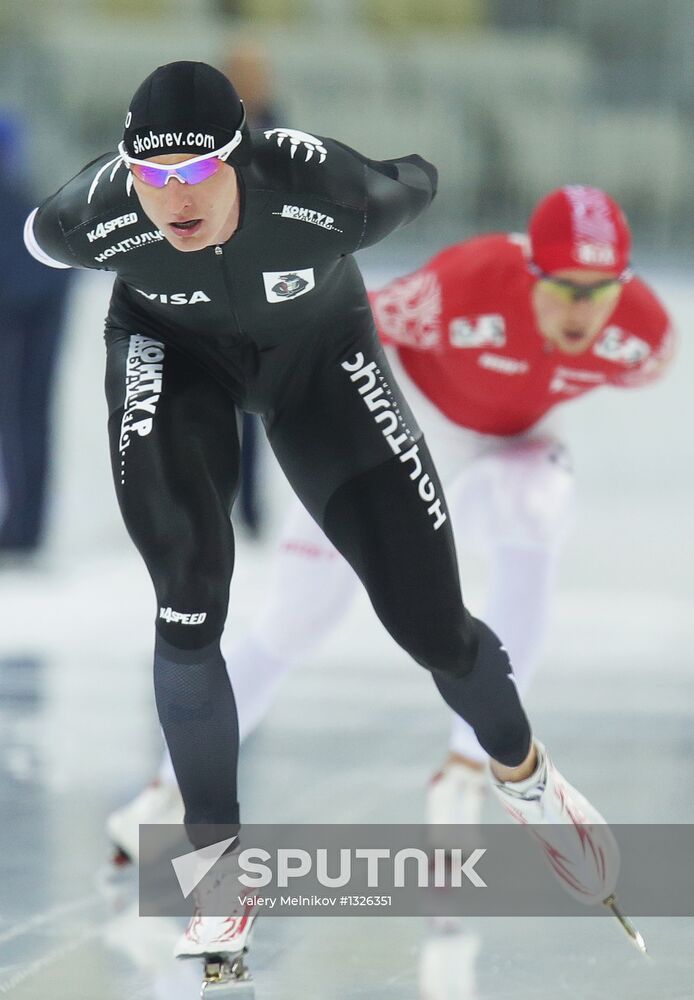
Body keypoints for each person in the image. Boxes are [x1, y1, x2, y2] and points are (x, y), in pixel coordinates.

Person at [25, 62, 621, 963]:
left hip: (321, 363)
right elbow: (33, 237)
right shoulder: (92, 213)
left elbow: (414, 178)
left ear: (240, 159)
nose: (171, 201)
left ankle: (526, 776)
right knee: (187, 595)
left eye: (193, 176)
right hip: (170, 355)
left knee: (432, 626)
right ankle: (217, 880)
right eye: (153, 178)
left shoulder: (326, 189)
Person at [109, 183, 674, 850]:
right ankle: (168, 787)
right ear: (530, 271)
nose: (585, 310)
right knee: (298, 616)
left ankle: (469, 765)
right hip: (410, 416)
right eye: (567, 288)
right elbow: (338, 331)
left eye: (602, 289)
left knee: (536, 509)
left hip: (516, 444)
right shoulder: (463, 286)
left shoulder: (643, 339)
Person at [0, 113, 71, 554]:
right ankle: (26, 525)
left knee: (22, 417)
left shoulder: (14, 200)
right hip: (32, 308)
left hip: (28, 313)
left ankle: (25, 528)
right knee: (26, 418)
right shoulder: (21, 196)